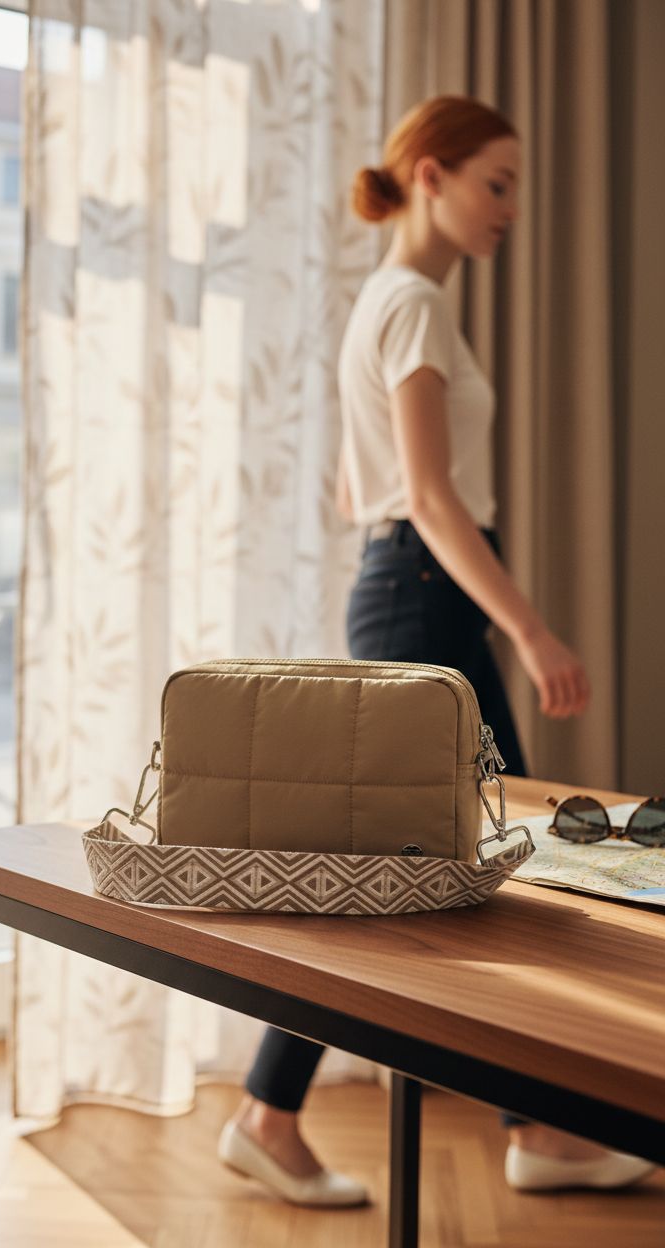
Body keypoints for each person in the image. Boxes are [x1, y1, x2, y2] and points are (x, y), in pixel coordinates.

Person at [217, 95, 655, 1206]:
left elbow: (352, 491)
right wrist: (530, 627)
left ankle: (293, 1113)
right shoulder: (413, 303)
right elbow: (423, 495)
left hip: (404, 590)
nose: (510, 207)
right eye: (496, 182)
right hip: (425, 593)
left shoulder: (387, 304)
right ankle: (523, 1129)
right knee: (505, 859)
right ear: (429, 174)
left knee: (431, 871)